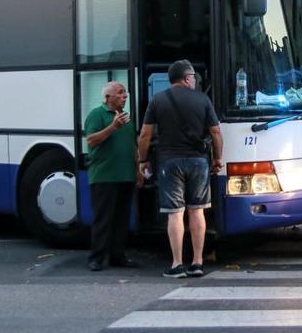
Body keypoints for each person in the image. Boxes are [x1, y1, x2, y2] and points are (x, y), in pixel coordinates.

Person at [138, 60, 223, 279]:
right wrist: (217, 158)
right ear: (186, 78)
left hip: (169, 162)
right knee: (197, 210)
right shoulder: (203, 99)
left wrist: (143, 160)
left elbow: (145, 134)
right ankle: (197, 262)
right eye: (193, 76)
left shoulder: (158, 100)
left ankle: (177, 264)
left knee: (175, 214)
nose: (195, 80)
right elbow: (215, 132)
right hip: (198, 162)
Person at [84, 81, 139, 272]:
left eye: (125, 93)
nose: (125, 96)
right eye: (120, 93)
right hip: (104, 176)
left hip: (125, 175)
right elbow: (91, 140)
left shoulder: (127, 119)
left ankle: (118, 255)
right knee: (103, 219)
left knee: (121, 219)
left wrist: (138, 169)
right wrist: (113, 127)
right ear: (108, 98)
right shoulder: (96, 114)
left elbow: (134, 146)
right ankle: (97, 258)